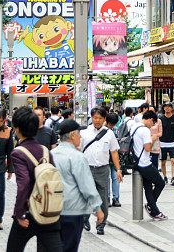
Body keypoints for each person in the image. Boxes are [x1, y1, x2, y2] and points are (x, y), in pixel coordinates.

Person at [6, 107, 63, 251]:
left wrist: (19, 213)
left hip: (28, 214)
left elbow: (24, 184)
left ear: (17, 129)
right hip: (48, 210)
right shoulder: (45, 150)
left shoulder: (18, 153)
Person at [52, 119, 105, 252]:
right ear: (73, 135)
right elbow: (87, 186)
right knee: (69, 247)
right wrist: (97, 208)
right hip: (72, 211)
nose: (80, 137)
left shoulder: (50, 154)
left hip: (52, 210)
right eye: (79, 134)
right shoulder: (77, 157)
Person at [79, 106, 121, 235]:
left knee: (103, 198)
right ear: (91, 118)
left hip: (103, 169)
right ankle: (85, 218)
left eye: (100, 118)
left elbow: (114, 152)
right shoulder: (84, 133)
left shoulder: (109, 133)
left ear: (104, 119)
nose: (97, 120)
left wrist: (118, 170)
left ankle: (101, 224)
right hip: (87, 169)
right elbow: (78, 151)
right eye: (95, 117)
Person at [129, 109, 167, 220]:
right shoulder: (145, 130)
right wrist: (153, 138)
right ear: (150, 119)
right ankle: (151, 206)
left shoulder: (134, 127)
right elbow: (147, 148)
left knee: (148, 188)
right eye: (153, 123)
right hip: (145, 163)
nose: (152, 126)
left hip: (137, 162)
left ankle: (154, 211)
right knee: (160, 183)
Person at [159, 102, 174, 185]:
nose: (167, 108)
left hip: (172, 142)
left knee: (173, 160)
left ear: (172, 108)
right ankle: (164, 177)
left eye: (169, 107)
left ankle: (172, 177)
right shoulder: (160, 119)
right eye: (166, 107)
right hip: (162, 142)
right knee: (163, 161)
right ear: (163, 108)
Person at [105, 112, 122, 207]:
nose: (112, 126)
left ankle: (116, 198)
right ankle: (107, 198)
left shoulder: (115, 129)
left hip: (114, 156)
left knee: (115, 178)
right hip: (105, 157)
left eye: (113, 124)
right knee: (106, 178)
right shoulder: (102, 130)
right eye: (110, 124)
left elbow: (116, 148)